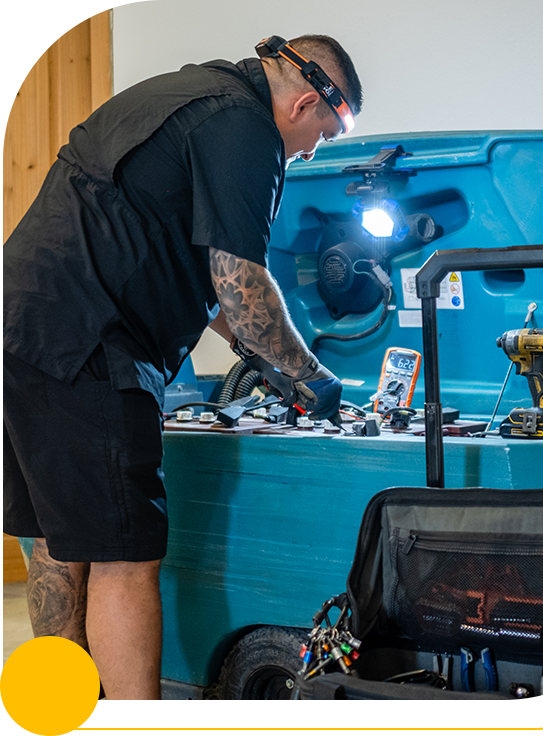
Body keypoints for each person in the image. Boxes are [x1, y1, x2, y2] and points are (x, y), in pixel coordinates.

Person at [2, 34, 363, 699]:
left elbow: (205, 281)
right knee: (125, 558)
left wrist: (261, 355)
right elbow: (238, 277)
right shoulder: (244, 128)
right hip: (91, 341)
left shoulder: (191, 93)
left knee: (60, 539)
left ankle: (59, 708)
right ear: (306, 100)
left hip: (25, 325)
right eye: (322, 134)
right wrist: (311, 374)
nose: (313, 149)